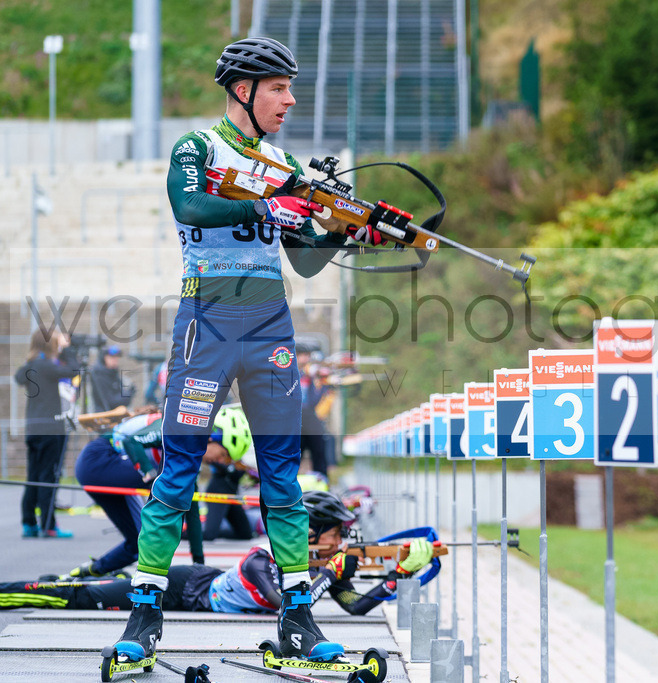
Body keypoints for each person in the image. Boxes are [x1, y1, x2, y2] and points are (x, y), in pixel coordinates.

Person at [113, 36, 386, 666]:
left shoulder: (285, 161)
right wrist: (271, 198)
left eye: (291, 89)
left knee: (282, 477)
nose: (290, 100)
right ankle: (145, 614)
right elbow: (190, 204)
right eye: (279, 88)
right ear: (244, 90)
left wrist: (344, 229)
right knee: (178, 469)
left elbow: (307, 263)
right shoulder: (197, 148)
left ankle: (298, 618)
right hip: (205, 321)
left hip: (270, 325)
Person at [0, 491, 436, 619]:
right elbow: (289, 607)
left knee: (77, 590)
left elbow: (356, 607)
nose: (344, 541)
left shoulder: (320, 568)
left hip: (200, 581)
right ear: (314, 533)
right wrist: (331, 574)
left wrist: (398, 574)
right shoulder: (262, 559)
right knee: (72, 594)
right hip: (179, 588)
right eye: (338, 533)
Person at [61, 408, 248, 580]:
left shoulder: (191, 454)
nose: (222, 461)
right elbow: (130, 441)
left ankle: (88, 572)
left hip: (112, 464)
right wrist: (151, 477)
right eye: (223, 454)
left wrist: (199, 565)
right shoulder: (180, 430)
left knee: (137, 544)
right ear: (212, 438)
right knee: (172, 478)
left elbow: (192, 510)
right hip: (98, 459)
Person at [15, 329, 81, 539]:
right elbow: (74, 370)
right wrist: (68, 349)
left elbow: (18, 375)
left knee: (34, 476)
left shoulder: (32, 366)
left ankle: (29, 523)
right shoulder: (47, 367)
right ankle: (49, 524)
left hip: (33, 429)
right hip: (51, 429)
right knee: (48, 476)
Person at [201, 409, 256, 542]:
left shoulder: (237, 458)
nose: (222, 459)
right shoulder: (215, 454)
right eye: (223, 455)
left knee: (246, 534)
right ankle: (184, 531)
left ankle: (211, 531)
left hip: (231, 493)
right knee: (209, 535)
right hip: (218, 491)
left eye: (226, 457)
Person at [296, 344, 329, 477]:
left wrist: (324, 387)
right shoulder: (289, 374)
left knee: (318, 451)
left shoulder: (308, 376)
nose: (307, 359)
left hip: (308, 419)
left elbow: (312, 402)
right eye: (304, 355)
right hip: (294, 420)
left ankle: (322, 481)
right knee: (293, 456)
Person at [89, 346, 136, 412]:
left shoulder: (113, 373)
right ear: (104, 358)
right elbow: (110, 402)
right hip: (104, 416)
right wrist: (128, 394)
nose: (115, 360)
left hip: (116, 414)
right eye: (112, 357)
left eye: (116, 358)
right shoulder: (99, 375)